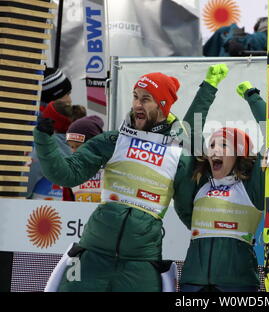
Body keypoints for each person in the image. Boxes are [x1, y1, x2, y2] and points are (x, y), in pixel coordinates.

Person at [34, 71, 205, 291]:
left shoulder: (178, 155)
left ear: (162, 105)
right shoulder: (113, 140)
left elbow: (189, 212)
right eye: (135, 96)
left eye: (146, 98)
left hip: (141, 262)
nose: (137, 104)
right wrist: (44, 141)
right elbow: (67, 174)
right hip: (93, 254)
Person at [178, 64, 266, 292]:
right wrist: (208, 87)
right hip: (193, 282)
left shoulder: (252, 186)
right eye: (212, 145)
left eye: (224, 145)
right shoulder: (199, 182)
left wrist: (252, 97)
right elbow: (189, 132)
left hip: (237, 285)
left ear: (239, 154)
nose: (215, 150)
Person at [27, 67, 74, 200]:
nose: (70, 100)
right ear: (54, 97)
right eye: (66, 94)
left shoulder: (60, 127)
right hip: (32, 213)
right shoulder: (39, 131)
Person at [62, 115, 104, 202]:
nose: (74, 151)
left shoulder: (111, 166)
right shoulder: (71, 172)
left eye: (78, 146)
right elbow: (67, 205)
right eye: (72, 147)